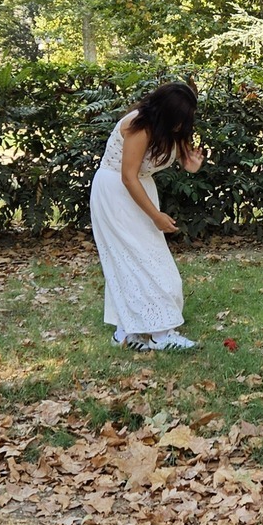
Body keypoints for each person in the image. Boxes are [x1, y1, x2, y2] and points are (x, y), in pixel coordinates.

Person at [89, 81, 204, 351]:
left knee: (138, 259)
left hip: (141, 189)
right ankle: (160, 335)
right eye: (179, 120)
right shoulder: (138, 126)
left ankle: (126, 333)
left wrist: (193, 165)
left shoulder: (174, 126)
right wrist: (156, 216)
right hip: (116, 192)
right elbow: (128, 177)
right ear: (164, 112)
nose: (182, 126)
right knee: (142, 260)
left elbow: (186, 161)